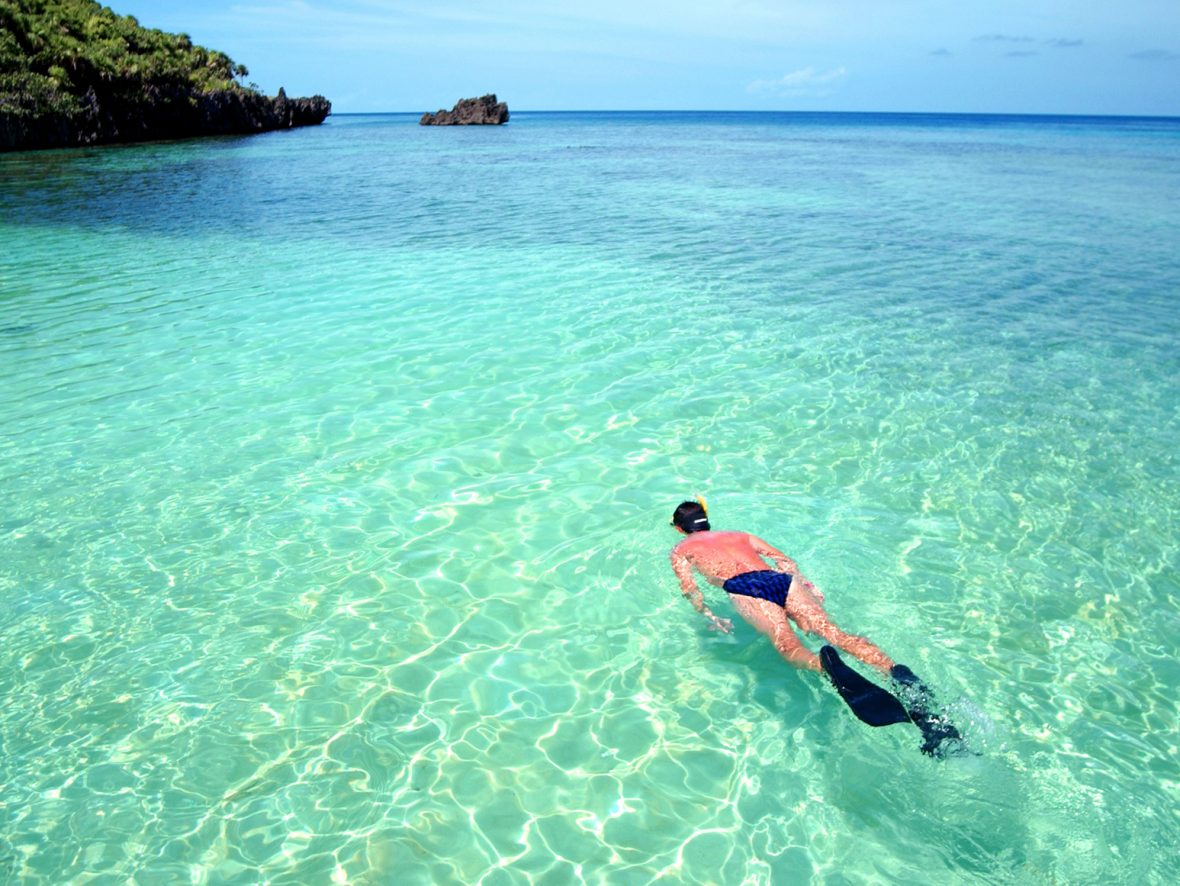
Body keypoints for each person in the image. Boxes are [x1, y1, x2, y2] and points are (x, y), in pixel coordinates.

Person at [669, 498, 964, 755]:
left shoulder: (681, 549)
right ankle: (894, 672)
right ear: (707, 521)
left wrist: (708, 614)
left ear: (680, 528)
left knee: (787, 645)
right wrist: (805, 583)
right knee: (835, 633)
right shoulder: (740, 534)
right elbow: (782, 560)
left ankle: (824, 664)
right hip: (780, 580)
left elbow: (689, 588)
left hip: (745, 587)